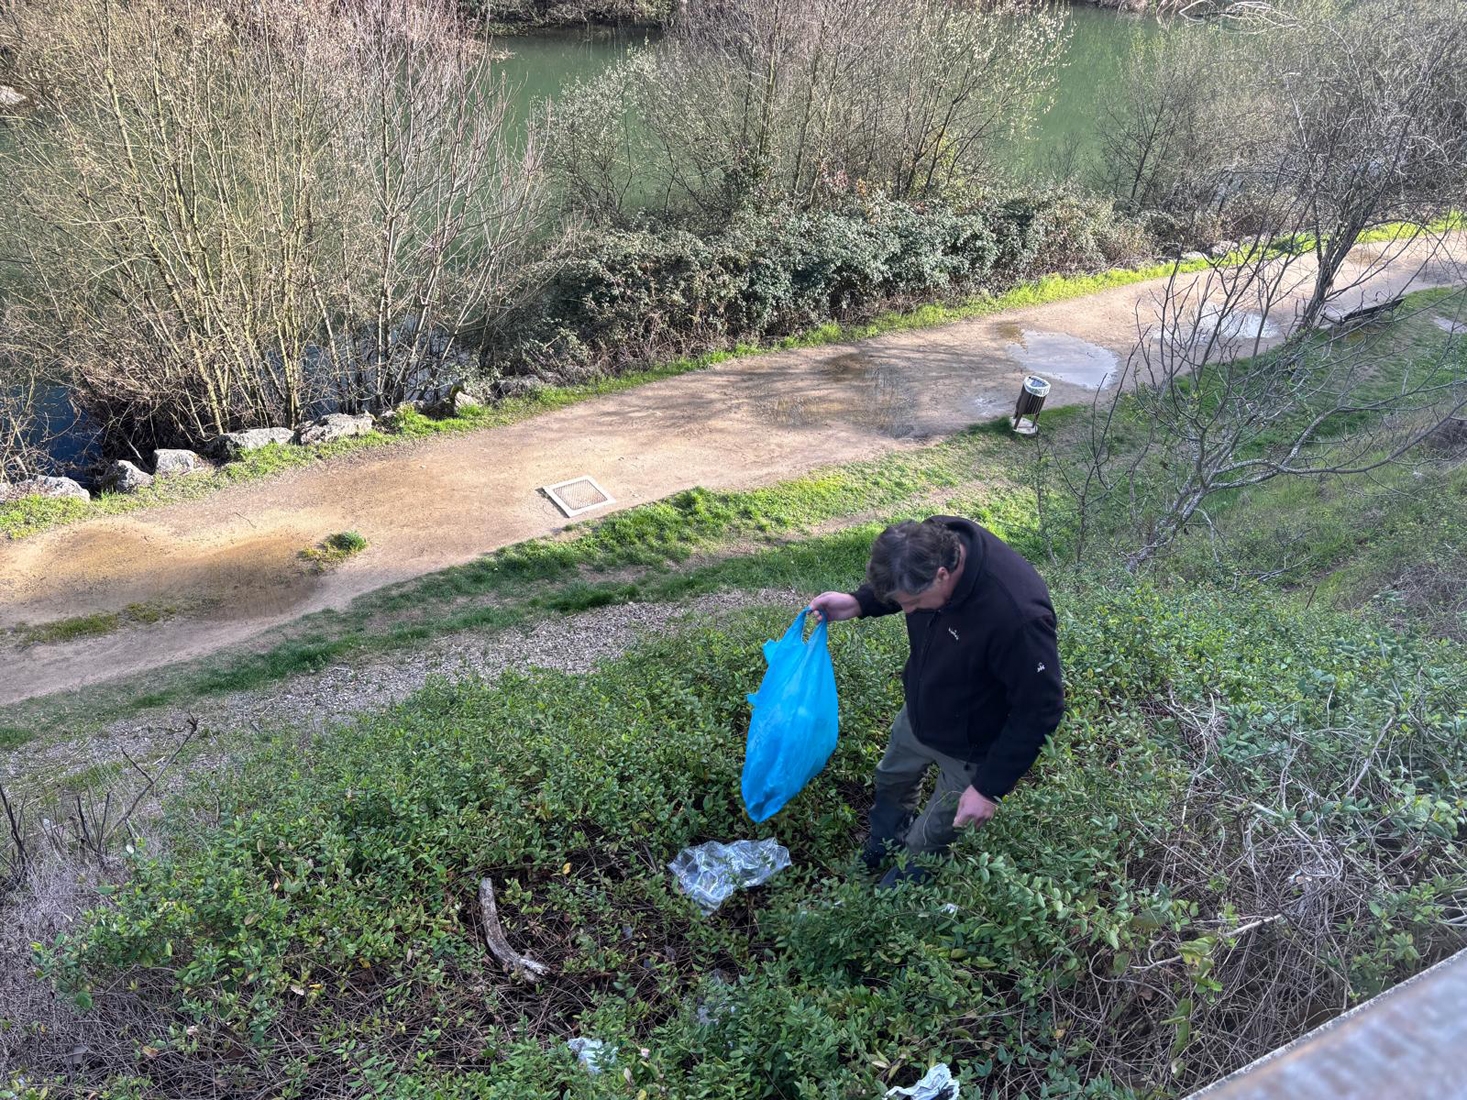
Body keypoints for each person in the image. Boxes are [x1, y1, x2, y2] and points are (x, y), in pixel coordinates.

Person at [808, 515, 1064, 888]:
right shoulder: (926, 541)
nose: (908, 611)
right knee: (891, 779)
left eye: (911, 603)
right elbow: (900, 588)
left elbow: (1042, 708)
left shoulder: (1016, 616)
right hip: (921, 710)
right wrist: (859, 602)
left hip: (973, 743)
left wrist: (988, 788)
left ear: (943, 574)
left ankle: (900, 891)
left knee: (930, 836)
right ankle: (882, 844)